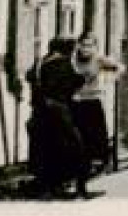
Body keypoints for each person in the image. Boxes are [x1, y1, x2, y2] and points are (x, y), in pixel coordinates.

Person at [27, 37, 92, 199]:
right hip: (59, 111)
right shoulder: (62, 63)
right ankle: (80, 189)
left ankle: (47, 188)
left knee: (45, 150)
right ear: (66, 50)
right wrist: (82, 78)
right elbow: (69, 84)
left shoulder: (39, 63)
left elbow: (30, 78)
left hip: (40, 113)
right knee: (77, 146)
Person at [70, 33, 121, 179]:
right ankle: (79, 169)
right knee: (78, 138)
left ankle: (94, 166)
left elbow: (119, 67)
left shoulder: (98, 60)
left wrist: (110, 80)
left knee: (94, 137)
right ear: (78, 45)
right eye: (83, 45)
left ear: (95, 47)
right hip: (76, 101)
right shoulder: (73, 60)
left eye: (90, 45)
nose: (86, 49)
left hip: (92, 101)